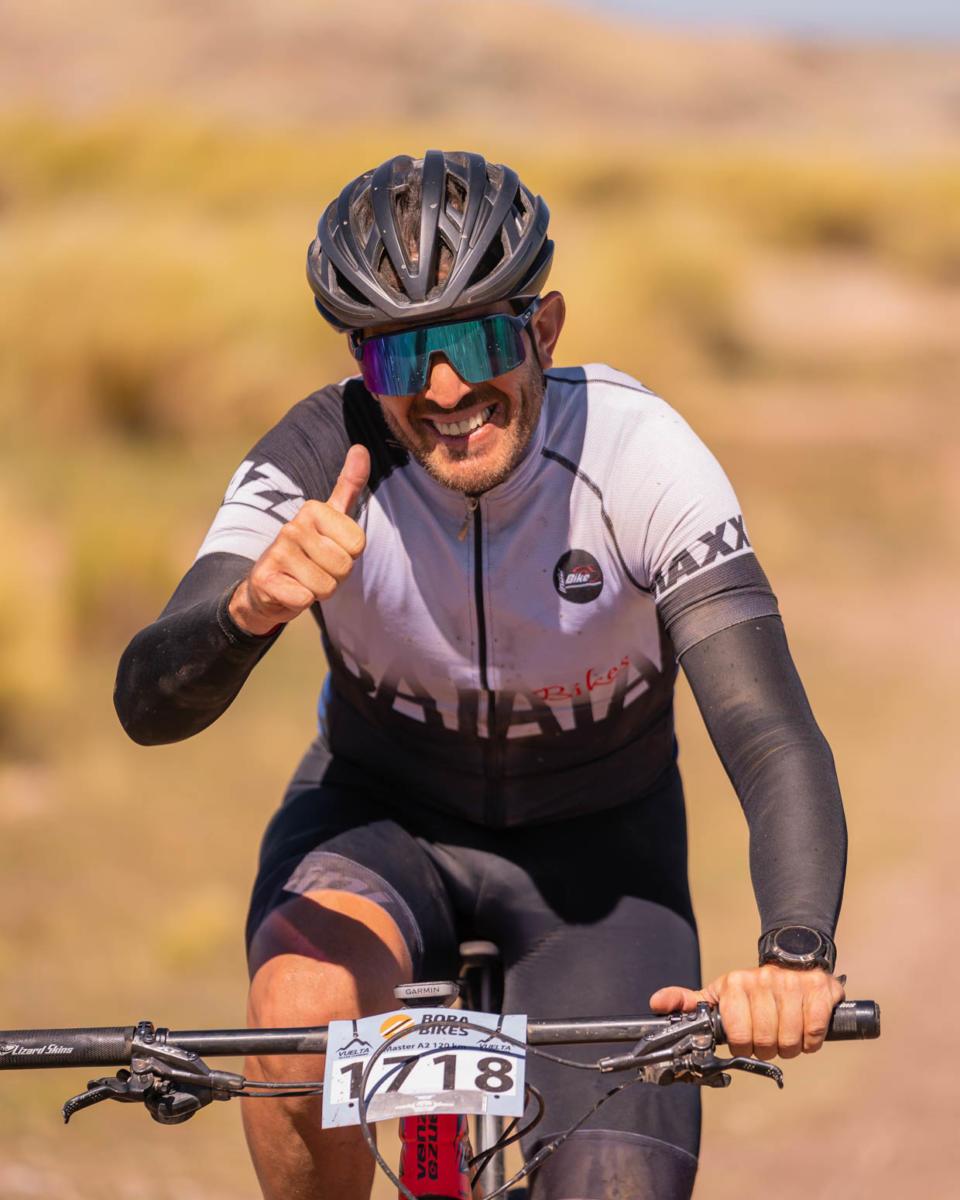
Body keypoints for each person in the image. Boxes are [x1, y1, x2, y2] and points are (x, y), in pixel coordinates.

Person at [115, 150, 847, 1200]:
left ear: (544, 330)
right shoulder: (320, 457)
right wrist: (246, 612)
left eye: (475, 341)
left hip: (600, 859)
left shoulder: (640, 451)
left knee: (614, 1184)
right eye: (403, 357)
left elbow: (768, 732)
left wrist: (795, 952)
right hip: (378, 821)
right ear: (362, 363)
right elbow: (146, 706)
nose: (447, 390)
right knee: (296, 1018)